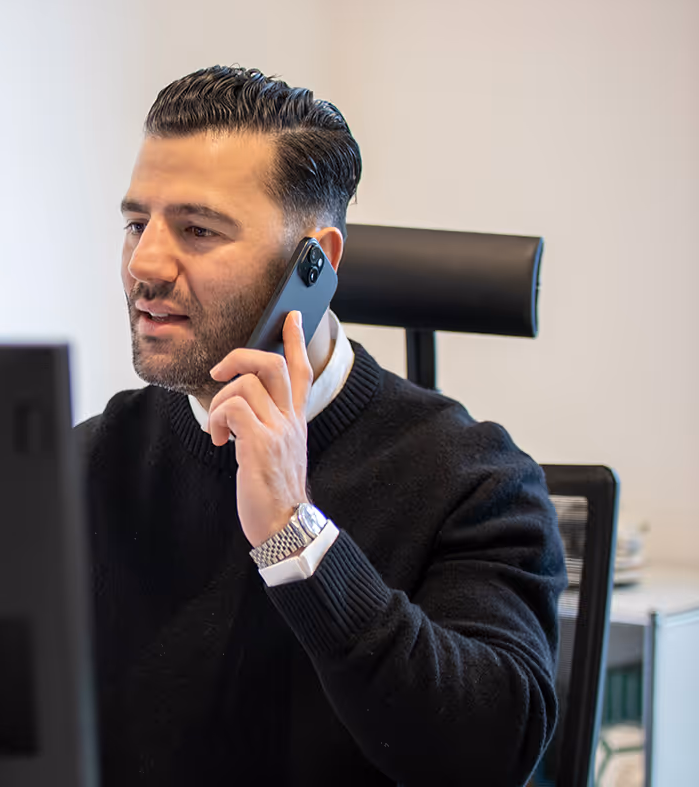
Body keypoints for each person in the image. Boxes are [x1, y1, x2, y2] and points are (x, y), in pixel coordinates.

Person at [76, 65, 567, 786]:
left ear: (316, 263)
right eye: (136, 222)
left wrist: (294, 536)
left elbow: (489, 753)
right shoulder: (86, 462)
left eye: (198, 229)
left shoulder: (474, 482)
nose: (144, 263)